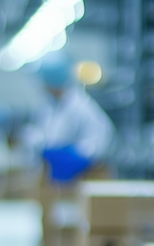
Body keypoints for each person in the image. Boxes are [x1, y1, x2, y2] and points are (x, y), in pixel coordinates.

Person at [30, 50, 114, 182]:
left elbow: (100, 141)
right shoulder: (51, 107)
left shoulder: (81, 107)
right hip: (58, 179)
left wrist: (72, 155)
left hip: (81, 176)